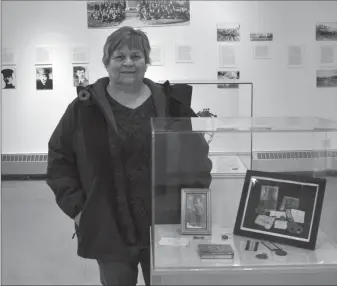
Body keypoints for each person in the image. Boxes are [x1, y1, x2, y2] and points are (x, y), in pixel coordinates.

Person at [46, 26, 212, 286]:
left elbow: (198, 156)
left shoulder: (172, 105)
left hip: (165, 226)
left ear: (147, 61)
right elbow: (59, 159)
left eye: (136, 55)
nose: (128, 63)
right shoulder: (84, 108)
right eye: (119, 56)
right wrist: (80, 211)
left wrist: (194, 207)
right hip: (109, 226)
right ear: (106, 62)